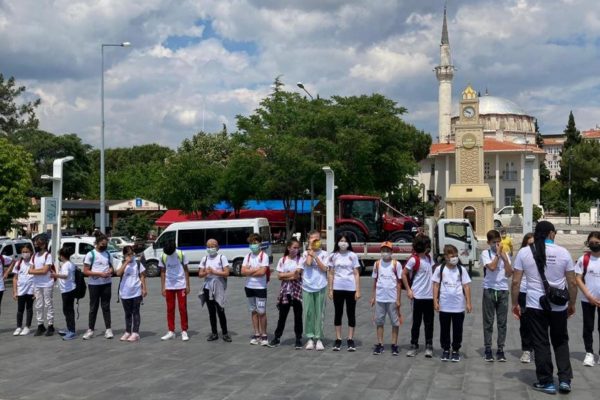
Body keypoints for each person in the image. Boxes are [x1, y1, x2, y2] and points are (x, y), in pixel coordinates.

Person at [511, 221, 576, 395]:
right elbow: (572, 282)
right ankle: (564, 380)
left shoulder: (524, 252)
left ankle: (546, 381)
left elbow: (516, 281)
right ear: (551, 234)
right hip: (558, 306)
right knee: (561, 341)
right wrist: (572, 304)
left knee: (540, 342)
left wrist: (514, 304)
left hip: (534, 304)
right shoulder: (563, 252)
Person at [432, 244, 472, 362]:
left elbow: (466, 286)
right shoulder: (440, 269)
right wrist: (435, 300)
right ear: (446, 257)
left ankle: (455, 350)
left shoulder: (461, 269)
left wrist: (469, 303)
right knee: (444, 329)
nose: (454, 258)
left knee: (457, 329)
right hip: (444, 305)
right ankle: (445, 349)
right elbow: (435, 285)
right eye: (451, 256)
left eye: (455, 255)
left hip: (458, 306)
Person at [480, 229, 513, 362]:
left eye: (499, 242)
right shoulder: (485, 253)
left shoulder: (506, 255)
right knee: (488, 321)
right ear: (489, 242)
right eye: (494, 242)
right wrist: (498, 255)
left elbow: (510, 273)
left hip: (503, 290)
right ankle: (488, 348)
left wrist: (505, 260)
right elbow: (492, 267)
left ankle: (500, 349)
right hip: (489, 290)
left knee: (502, 322)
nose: (497, 245)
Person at [402, 234, 435, 358]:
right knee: (416, 322)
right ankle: (414, 345)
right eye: (428, 245)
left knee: (429, 323)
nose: (429, 247)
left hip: (429, 296)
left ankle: (429, 345)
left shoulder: (429, 259)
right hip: (417, 296)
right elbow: (404, 274)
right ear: (423, 246)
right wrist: (409, 290)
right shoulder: (413, 259)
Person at [268, 238, 303, 349]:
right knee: (282, 316)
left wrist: (286, 274)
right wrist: (291, 275)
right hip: (285, 291)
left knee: (298, 316)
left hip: (297, 291)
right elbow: (279, 276)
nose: (296, 250)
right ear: (288, 248)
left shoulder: (300, 259)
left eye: (298, 248)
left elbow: (298, 275)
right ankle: (277, 337)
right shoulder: (282, 260)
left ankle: (298, 338)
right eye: (294, 247)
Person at [328, 234, 361, 352]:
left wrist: (358, 290)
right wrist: (330, 290)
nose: (343, 243)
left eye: (345, 241)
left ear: (349, 243)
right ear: (337, 242)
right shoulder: (333, 256)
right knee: (338, 313)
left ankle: (350, 339)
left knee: (350, 313)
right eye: (341, 240)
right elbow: (331, 273)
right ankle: (338, 339)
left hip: (350, 288)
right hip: (337, 288)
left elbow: (356, 273)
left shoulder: (352, 255)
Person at [371, 241, 402, 355]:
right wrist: (373, 297)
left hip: (392, 298)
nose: (385, 253)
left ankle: (394, 344)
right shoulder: (377, 264)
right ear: (380, 252)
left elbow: (399, 283)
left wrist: (398, 299)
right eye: (383, 250)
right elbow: (375, 281)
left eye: (388, 250)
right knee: (379, 322)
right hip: (380, 298)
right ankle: (380, 344)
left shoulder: (396, 264)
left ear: (391, 252)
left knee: (395, 322)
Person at [300, 230, 329, 351]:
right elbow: (307, 263)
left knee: (319, 313)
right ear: (309, 240)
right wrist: (310, 251)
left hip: (321, 286)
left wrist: (316, 256)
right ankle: (310, 338)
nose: (316, 241)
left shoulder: (325, 254)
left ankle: (319, 338)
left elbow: (324, 268)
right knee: (308, 313)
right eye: (313, 239)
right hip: (307, 286)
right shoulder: (305, 253)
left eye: (317, 239)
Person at [575, 231, 600, 367]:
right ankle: (589, 353)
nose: (594, 245)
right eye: (592, 243)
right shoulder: (583, 259)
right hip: (587, 299)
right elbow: (578, 279)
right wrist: (589, 296)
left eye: (597, 243)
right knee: (588, 327)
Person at [198, 238, 231, 342]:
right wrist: (206, 272)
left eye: (213, 246)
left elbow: (226, 273)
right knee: (211, 312)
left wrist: (215, 272)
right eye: (208, 246)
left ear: (217, 247)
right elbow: (200, 274)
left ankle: (225, 333)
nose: (210, 248)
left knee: (220, 310)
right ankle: (214, 333)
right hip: (208, 287)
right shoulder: (205, 258)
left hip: (219, 286)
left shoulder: (222, 257)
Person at [82, 234, 114, 340]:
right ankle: (90, 329)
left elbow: (111, 267)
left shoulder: (108, 254)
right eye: (102, 244)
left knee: (106, 307)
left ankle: (108, 329)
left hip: (106, 284)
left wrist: (110, 270)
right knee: (93, 307)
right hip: (94, 285)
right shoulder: (90, 254)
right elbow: (85, 271)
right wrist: (100, 274)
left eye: (106, 244)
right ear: (97, 243)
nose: (104, 246)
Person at [241, 233, 270, 346]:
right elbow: (242, 272)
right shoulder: (247, 256)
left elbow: (262, 272)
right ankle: (256, 334)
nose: (253, 245)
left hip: (260, 288)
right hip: (249, 287)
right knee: (253, 311)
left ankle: (264, 334)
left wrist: (249, 271)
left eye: (255, 243)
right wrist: (255, 270)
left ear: (260, 243)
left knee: (261, 312)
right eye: (251, 243)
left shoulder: (264, 256)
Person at [159, 240, 191, 341]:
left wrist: (187, 285)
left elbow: (186, 269)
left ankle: (184, 330)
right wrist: (163, 287)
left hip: (181, 285)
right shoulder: (163, 256)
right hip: (169, 285)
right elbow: (163, 272)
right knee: (170, 309)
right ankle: (171, 331)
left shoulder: (181, 254)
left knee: (182, 308)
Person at [116, 245, 147, 342]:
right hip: (125, 292)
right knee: (127, 313)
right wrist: (126, 262)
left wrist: (144, 288)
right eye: (128, 254)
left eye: (132, 253)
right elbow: (118, 273)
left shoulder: (137, 263)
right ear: (124, 255)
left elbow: (142, 276)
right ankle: (127, 331)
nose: (131, 256)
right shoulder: (121, 263)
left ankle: (135, 333)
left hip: (136, 291)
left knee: (135, 312)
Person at [28, 234, 55, 336]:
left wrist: (34, 271)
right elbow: (29, 270)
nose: (36, 246)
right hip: (37, 283)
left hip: (47, 283)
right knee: (38, 304)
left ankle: (50, 325)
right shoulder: (34, 256)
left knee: (48, 304)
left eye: (38, 244)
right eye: (35, 244)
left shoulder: (48, 256)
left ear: (44, 245)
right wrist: (37, 270)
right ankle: (40, 325)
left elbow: (45, 270)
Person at [51, 247, 77, 340]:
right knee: (67, 310)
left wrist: (55, 275)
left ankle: (72, 331)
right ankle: (70, 329)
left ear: (62, 256)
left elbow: (65, 276)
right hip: (67, 290)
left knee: (68, 311)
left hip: (68, 290)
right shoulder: (69, 264)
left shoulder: (67, 265)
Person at [517, 233, 535, 363]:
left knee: (539, 323)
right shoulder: (522, 255)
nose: (532, 247)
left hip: (537, 293)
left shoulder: (542, 255)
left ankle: (537, 347)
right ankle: (526, 350)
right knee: (525, 322)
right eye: (529, 244)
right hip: (523, 292)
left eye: (534, 244)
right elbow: (516, 279)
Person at [11, 244, 34, 336]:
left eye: (27, 251)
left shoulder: (33, 263)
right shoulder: (18, 263)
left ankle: (27, 327)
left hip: (31, 290)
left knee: (29, 308)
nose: (25, 253)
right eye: (23, 252)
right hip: (21, 290)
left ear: (31, 252)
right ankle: (18, 327)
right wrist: (15, 291)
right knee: (20, 309)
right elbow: (15, 278)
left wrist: (36, 291)